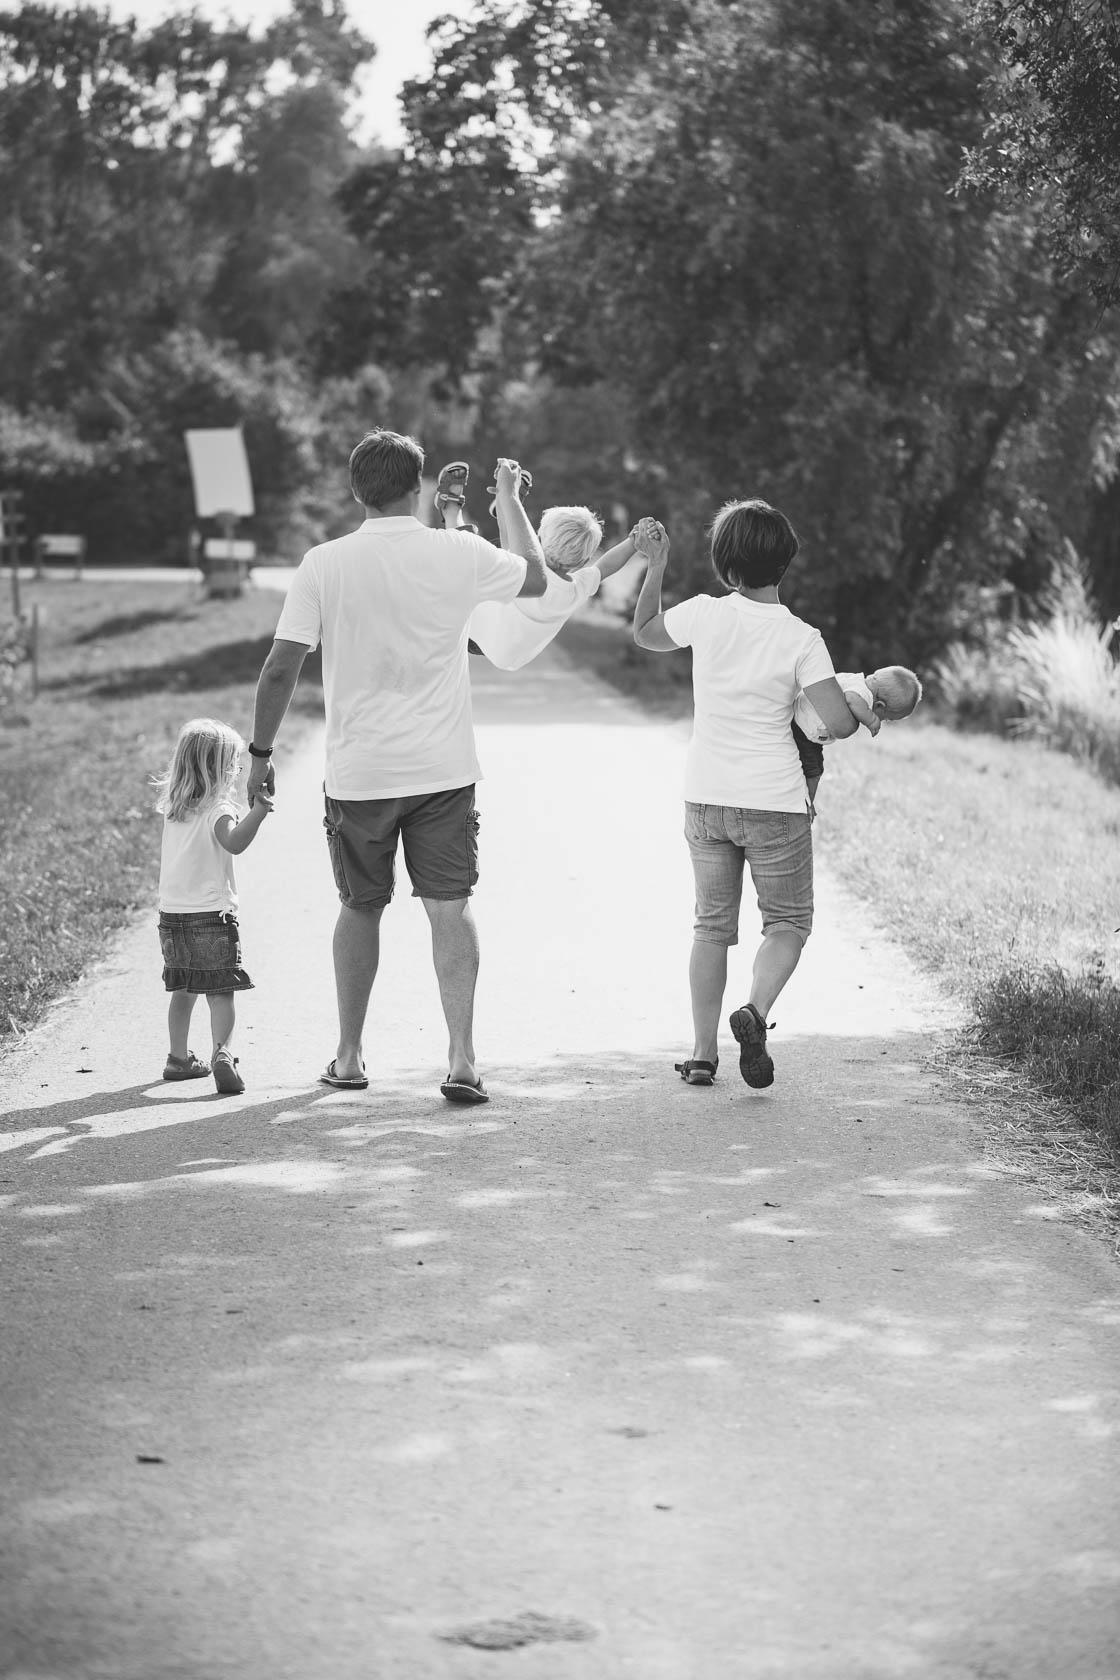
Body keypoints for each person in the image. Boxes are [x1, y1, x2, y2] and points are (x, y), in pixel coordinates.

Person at [246, 428, 548, 1103]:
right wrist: (508, 500)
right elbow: (535, 577)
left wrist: (261, 756)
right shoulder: (458, 551)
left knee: (360, 907)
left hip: (361, 775)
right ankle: (463, 1057)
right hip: (442, 772)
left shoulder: (323, 563)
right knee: (451, 908)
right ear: (414, 488)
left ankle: (349, 1056)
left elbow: (278, 671)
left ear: (357, 491)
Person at [631, 499, 857, 1090]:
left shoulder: (705, 614)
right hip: (774, 801)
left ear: (727, 568)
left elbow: (647, 633)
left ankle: (703, 1053)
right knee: (787, 922)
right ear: (785, 564)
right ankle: (753, 1012)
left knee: (711, 927)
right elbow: (836, 722)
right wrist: (857, 700)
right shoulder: (803, 638)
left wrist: (655, 564)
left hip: (706, 795)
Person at [154, 717, 273, 1094]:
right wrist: (258, 811)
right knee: (220, 991)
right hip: (212, 914)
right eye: (235, 764)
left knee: (184, 989)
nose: (238, 771)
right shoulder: (219, 808)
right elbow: (234, 842)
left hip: (172, 915)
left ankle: (178, 1058)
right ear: (219, 768)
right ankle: (223, 1053)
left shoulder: (174, 807)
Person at [435, 463, 640, 670]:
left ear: (537, 537)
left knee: (473, 554)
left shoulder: (525, 569)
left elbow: (512, 546)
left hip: (471, 630)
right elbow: (606, 566)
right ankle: (505, 505)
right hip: (505, 652)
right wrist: (634, 542)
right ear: (582, 562)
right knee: (510, 557)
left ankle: (453, 510)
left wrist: (507, 492)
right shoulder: (575, 590)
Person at [793, 664, 923, 813]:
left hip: (801, 713)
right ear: (879, 706)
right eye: (886, 719)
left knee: (807, 767)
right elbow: (851, 699)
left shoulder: (854, 679)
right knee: (813, 771)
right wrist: (871, 719)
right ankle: (805, 805)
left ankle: (804, 802)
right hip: (804, 728)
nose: (881, 721)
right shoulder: (865, 695)